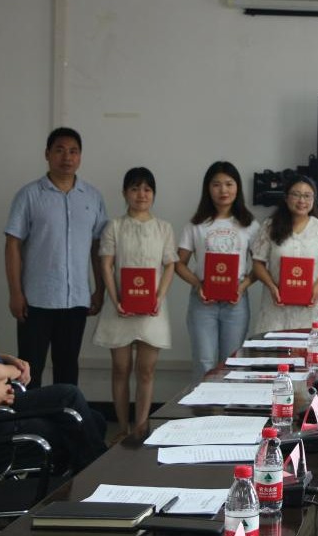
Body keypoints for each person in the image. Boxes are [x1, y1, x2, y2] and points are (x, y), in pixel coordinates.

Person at [0, 220, 106, 473]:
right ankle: (99, 477)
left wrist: (3, 359)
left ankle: (86, 478)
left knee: (91, 419)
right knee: (68, 407)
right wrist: (6, 379)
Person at [4, 127, 107, 388]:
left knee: (68, 368)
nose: (67, 157)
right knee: (29, 369)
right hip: (35, 300)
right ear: (47, 154)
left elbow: (99, 248)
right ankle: (28, 415)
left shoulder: (93, 197)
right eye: (60, 150)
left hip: (76, 300)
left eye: (73, 151)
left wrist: (100, 289)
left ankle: (64, 416)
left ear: (80, 156)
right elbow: (13, 244)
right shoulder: (29, 195)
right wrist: (15, 292)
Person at [92, 168, 177, 439]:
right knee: (120, 369)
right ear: (125, 193)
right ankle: (122, 428)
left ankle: (140, 427)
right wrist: (115, 298)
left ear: (154, 194)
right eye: (135, 188)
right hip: (119, 308)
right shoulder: (114, 226)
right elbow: (106, 264)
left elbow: (170, 265)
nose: (141, 194)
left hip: (153, 309)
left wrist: (158, 298)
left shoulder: (164, 228)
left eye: (147, 189)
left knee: (146, 370)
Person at [175, 161, 259, 382]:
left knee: (232, 363)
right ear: (208, 188)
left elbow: (260, 266)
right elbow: (179, 263)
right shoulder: (196, 224)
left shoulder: (249, 224)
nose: (223, 190)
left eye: (229, 184)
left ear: (237, 187)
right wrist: (197, 284)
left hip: (236, 303)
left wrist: (242, 286)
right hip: (203, 302)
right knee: (204, 362)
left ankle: (229, 405)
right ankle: (202, 405)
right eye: (216, 184)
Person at [250, 172, 318, 334]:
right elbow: (258, 262)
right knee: (273, 349)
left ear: (313, 199)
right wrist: (272, 286)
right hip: (275, 308)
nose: (302, 201)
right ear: (286, 197)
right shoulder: (270, 226)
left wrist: (317, 286)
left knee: (309, 348)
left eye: (307, 196)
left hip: (310, 308)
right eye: (296, 195)